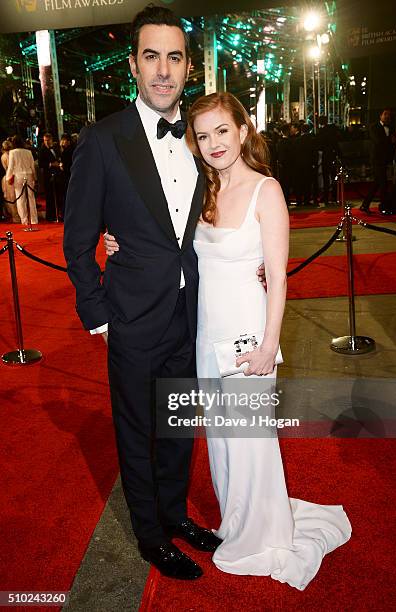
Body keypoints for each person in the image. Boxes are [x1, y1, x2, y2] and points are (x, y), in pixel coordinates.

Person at [105, 92, 352, 591]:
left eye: (223, 131)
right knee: (220, 442)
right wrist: (117, 240)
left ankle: (261, 533)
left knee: (249, 441)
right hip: (204, 336)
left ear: (243, 130)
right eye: (204, 135)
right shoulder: (203, 189)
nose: (214, 143)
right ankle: (236, 524)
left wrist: (268, 346)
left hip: (248, 338)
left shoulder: (268, 191)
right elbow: (169, 241)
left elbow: (279, 279)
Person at [63, 5, 221, 582]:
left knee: (179, 424)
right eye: (150, 56)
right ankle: (151, 536)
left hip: (190, 311)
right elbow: (77, 238)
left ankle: (175, 515)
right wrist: (97, 312)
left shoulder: (201, 139)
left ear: (188, 66)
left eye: (173, 57)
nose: (162, 70)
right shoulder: (103, 140)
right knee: (137, 430)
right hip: (130, 317)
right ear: (133, 64)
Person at [360, 108, 396, 215]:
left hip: (385, 160)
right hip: (376, 159)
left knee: (377, 183)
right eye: (385, 114)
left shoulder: (391, 127)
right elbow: (378, 141)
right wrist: (390, 141)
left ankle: (365, 205)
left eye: (389, 115)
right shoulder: (374, 127)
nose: (387, 116)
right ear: (380, 116)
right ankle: (383, 207)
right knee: (383, 183)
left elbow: (391, 144)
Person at [5, 134, 38, 225]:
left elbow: (11, 167)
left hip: (18, 176)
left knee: (20, 199)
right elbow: (32, 166)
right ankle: (34, 220)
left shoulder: (13, 152)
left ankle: (24, 220)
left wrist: (8, 177)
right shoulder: (28, 152)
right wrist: (35, 177)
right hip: (29, 175)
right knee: (31, 198)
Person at [38, 133, 61, 221]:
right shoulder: (42, 150)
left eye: (48, 140)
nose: (46, 142)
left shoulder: (55, 148)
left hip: (56, 174)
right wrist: (51, 164)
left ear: (51, 140)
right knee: (50, 196)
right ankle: (50, 216)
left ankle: (56, 214)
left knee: (57, 195)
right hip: (48, 176)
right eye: (45, 140)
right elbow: (40, 164)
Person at [1, 140, 19, 223]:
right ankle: (17, 215)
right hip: (13, 177)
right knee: (14, 197)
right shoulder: (12, 154)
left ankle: (15, 216)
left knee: (11, 198)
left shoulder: (3, 156)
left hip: (8, 178)